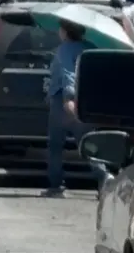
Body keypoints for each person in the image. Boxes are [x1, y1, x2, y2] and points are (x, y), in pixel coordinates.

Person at [43, 19, 105, 197]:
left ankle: (56, 185)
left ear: (65, 31)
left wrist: (68, 98)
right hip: (86, 100)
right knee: (89, 144)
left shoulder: (64, 49)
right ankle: (104, 178)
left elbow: (67, 72)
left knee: (55, 144)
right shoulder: (90, 47)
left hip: (63, 101)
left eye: (60, 29)